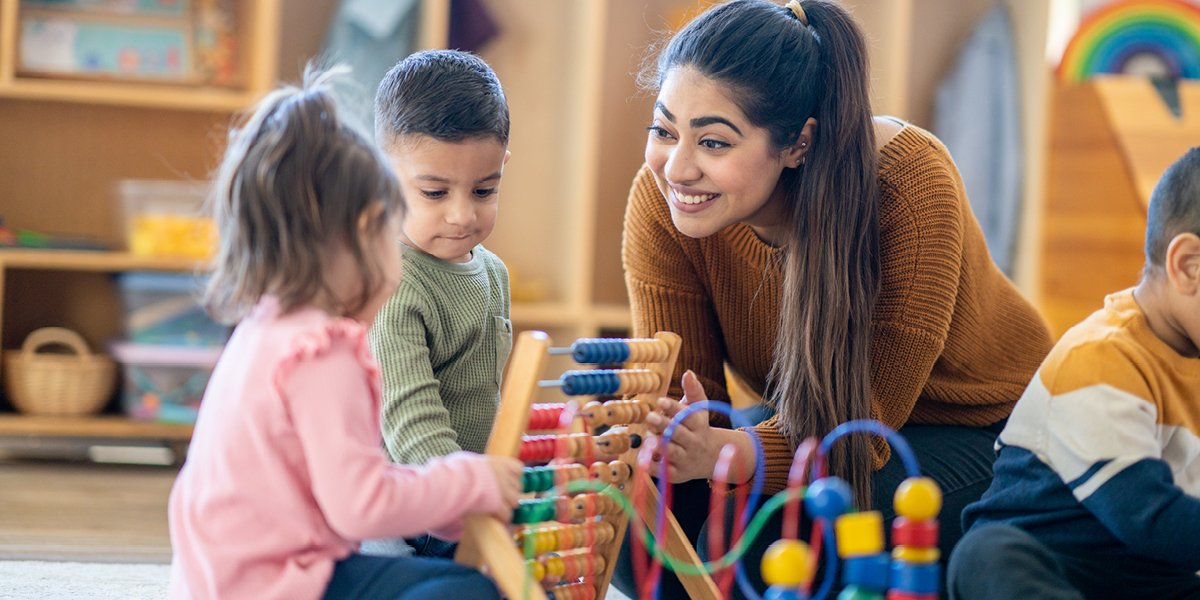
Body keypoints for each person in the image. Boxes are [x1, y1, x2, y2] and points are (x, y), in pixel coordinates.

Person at [614, 0, 1052, 596]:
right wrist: (670, 436)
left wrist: (735, 450)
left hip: (986, 432)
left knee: (788, 540)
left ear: (798, 144)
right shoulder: (664, 199)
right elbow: (692, 410)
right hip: (816, 427)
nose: (677, 167)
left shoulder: (908, 184)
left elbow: (862, 431)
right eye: (664, 131)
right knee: (634, 523)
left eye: (713, 143)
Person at [167, 71, 523, 600]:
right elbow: (361, 506)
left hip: (243, 575)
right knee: (468, 594)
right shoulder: (321, 352)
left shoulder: (269, 323)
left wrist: (458, 511)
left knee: (463, 582)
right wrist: (472, 484)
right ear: (364, 233)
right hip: (281, 582)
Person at [948, 148, 1200, 600]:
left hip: (1145, 579)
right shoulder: (1101, 359)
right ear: (1188, 266)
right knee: (986, 554)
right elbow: (1147, 516)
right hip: (1058, 561)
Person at [362, 49, 513, 559]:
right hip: (408, 510)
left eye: (484, 189)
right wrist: (463, 494)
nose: (462, 215)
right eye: (434, 192)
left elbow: (488, 397)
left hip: (463, 498)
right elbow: (409, 418)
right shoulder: (395, 284)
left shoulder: (492, 273)